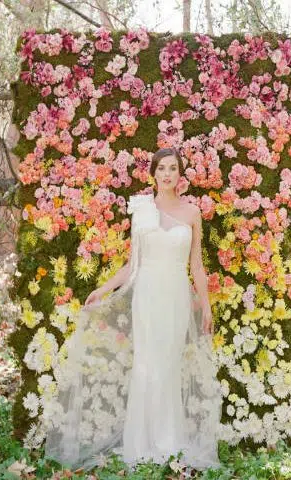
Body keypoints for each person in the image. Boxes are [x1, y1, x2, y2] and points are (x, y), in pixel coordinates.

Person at [44, 148, 221, 470]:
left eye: (173, 168)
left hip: (176, 296)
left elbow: (196, 265)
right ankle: (141, 443)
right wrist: (103, 289)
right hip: (147, 295)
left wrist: (206, 305)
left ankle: (169, 442)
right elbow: (132, 265)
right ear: (153, 173)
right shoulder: (142, 210)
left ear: (180, 174)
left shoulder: (192, 212)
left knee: (168, 365)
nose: (167, 174)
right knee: (147, 365)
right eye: (161, 168)